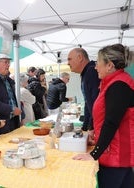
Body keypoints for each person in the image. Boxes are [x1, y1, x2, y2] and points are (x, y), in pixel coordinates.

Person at [73, 44, 134, 188]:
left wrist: (94, 153)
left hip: (116, 156)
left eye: (98, 63)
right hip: (115, 153)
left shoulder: (119, 85)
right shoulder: (114, 82)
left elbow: (111, 122)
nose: (95, 67)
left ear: (110, 66)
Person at [67, 47, 100, 144]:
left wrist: (92, 127)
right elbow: (88, 102)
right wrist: (85, 127)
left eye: (69, 59)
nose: (68, 63)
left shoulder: (91, 71)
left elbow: (96, 102)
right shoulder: (87, 72)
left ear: (80, 57)